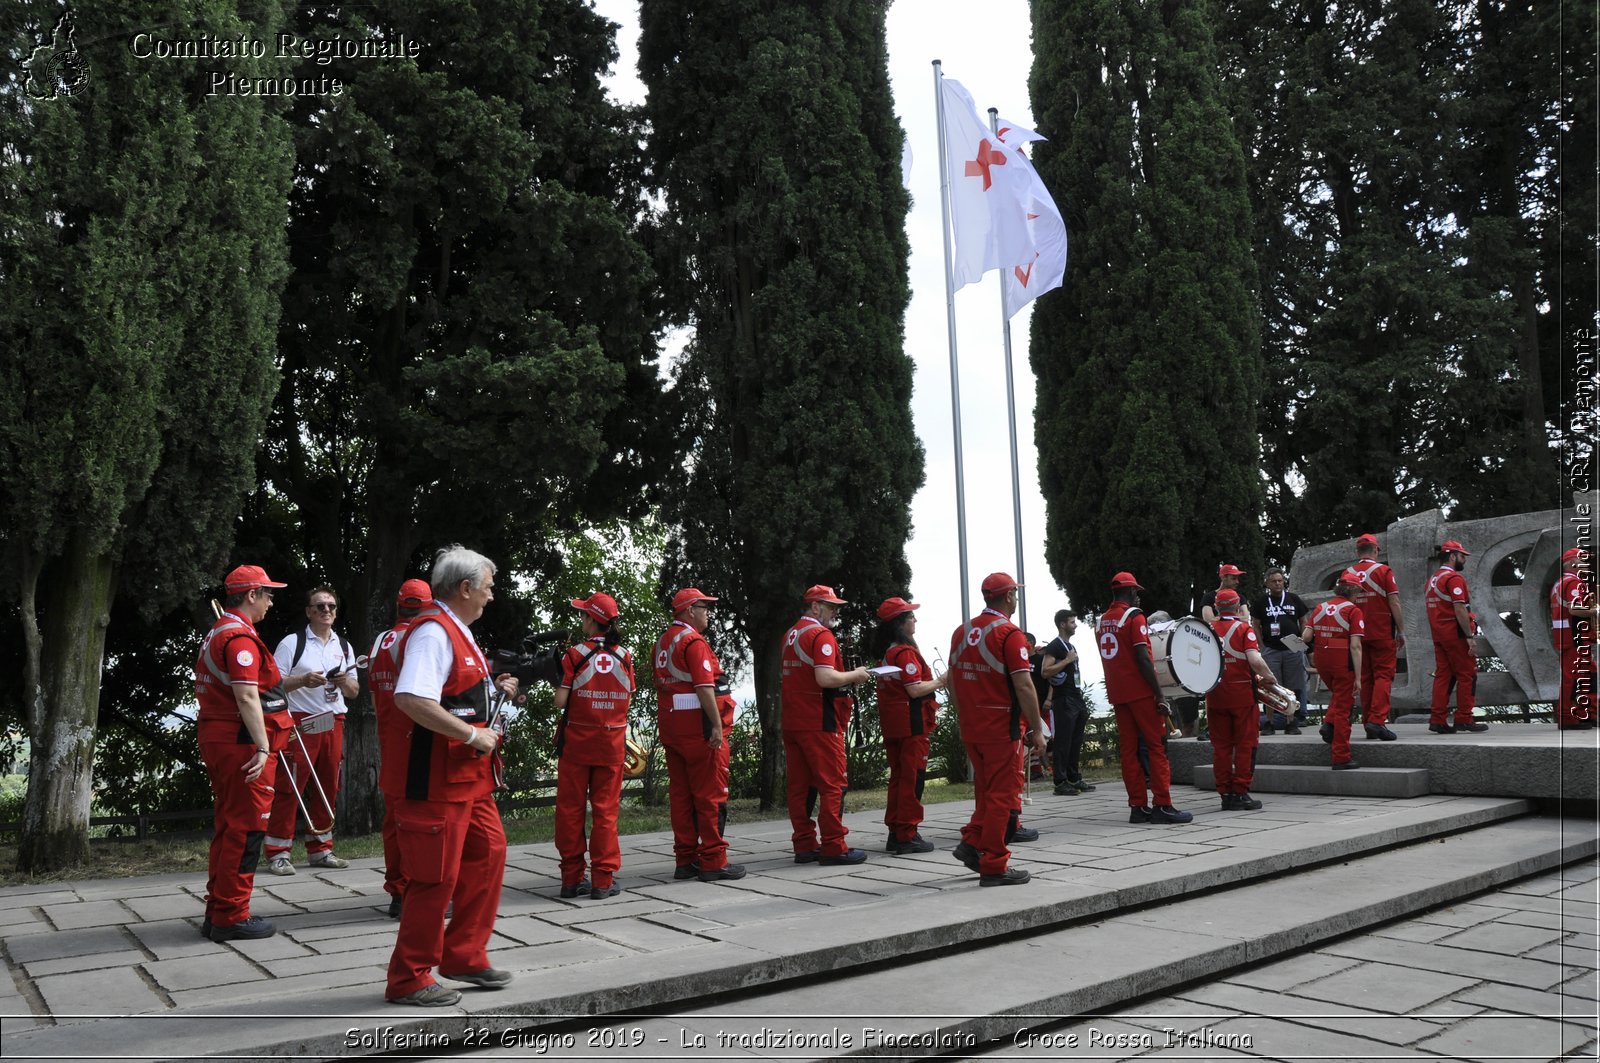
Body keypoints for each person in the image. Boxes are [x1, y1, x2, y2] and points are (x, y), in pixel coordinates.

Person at [384, 546, 517, 1007]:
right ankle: (409, 977)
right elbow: (412, 699)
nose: (492, 597)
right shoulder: (434, 633)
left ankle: (462, 954)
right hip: (436, 781)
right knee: (434, 879)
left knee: (489, 853)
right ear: (464, 588)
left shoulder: (455, 630)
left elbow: (454, 691)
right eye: (487, 587)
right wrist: (470, 736)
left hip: (466, 781)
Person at [194, 565, 298, 942]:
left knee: (229, 825)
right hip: (241, 745)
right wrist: (263, 745)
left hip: (223, 740)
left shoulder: (220, 632)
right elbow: (246, 695)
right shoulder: (238, 638)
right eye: (268, 594)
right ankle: (231, 915)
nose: (272, 601)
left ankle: (219, 908)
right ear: (251, 594)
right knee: (247, 828)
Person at [948, 573, 1049, 884]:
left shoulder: (961, 632)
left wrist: (963, 713)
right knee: (1002, 795)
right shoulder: (1010, 634)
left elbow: (951, 681)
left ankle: (971, 842)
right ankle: (994, 863)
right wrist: (1037, 729)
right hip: (1001, 727)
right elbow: (1024, 686)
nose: (1016, 599)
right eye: (1014, 595)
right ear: (1007, 597)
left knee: (987, 792)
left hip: (972, 727)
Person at [264, 586, 360, 875]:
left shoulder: (343, 646)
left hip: (334, 721)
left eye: (331, 606)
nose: (326, 611)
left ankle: (321, 849)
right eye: (319, 606)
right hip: (301, 721)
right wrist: (303, 680)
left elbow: (354, 691)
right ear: (308, 611)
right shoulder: (292, 643)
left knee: (329, 784)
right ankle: (278, 851)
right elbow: (272, 683)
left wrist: (342, 681)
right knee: (290, 785)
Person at [653, 588, 744, 882]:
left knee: (681, 797)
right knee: (710, 796)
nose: (708, 612)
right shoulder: (693, 642)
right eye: (705, 607)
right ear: (690, 610)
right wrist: (716, 726)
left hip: (673, 728)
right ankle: (714, 860)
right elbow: (704, 687)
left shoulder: (663, 641)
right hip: (698, 731)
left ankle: (685, 860)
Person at [781, 585, 872, 865]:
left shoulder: (790, 634)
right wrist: (854, 674)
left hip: (793, 720)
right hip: (819, 720)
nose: (835, 613)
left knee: (800, 787)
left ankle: (805, 844)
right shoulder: (821, 635)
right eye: (831, 607)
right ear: (815, 607)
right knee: (833, 785)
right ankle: (834, 845)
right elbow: (824, 678)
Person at [554, 593, 636, 900]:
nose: (581, 620)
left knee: (570, 811)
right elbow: (628, 696)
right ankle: (603, 880)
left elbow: (561, 701)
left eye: (584, 615)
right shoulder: (625, 656)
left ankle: (571, 879)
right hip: (611, 744)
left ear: (592, 620)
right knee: (606, 813)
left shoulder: (574, 654)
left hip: (577, 745)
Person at [1097, 572, 1192, 824]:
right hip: (1141, 693)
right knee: (1156, 747)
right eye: (1136, 592)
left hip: (1119, 694)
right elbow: (1141, 656)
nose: (1138, 597)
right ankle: (1163, 804)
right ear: (1129, 592)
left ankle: (1137, 807)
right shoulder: (1133, 617)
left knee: (1129, 751)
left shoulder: (1102, 621)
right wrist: (1159, 694)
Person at [370, 578, 434, 919]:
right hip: (417, 740)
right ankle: (413, 892)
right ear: (427, 607)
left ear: (398, 605)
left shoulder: (381, 640)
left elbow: (373, 690)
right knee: (418, 821)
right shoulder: (420, 638)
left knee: (393, 821)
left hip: (388, 738)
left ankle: (397, 891)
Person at [872, 596, 947, 855]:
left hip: (894, 724)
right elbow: (915, 689)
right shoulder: (905, 653)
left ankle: (896, 830)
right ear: (901, 623)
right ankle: (907, 833)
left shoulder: (888, 652)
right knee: (912, 778)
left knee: (899, 777)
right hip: (912, 723)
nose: (915, 620)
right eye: (911, 616)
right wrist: (941, 681)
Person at [1208, 589, 1278, 810]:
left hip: (1215, 694)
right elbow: (1254, 659)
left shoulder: (1207, 630)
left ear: (1217, 608)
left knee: (1221, 746)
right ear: (1238, 607)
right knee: (1246, 744)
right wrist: (1270, 677)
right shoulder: (1243, 629)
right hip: (1241, 695)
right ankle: (1240, 792)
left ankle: (1225, 793)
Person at [1303, 569, 1366, 770]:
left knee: (1339, 696)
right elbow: (1355, 646)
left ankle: (1328, 724)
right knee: (1344, 708)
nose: (1359, 595)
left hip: (1322, 659)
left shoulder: (1321, 607)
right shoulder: (1354, 611)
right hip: (1342, 659)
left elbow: (1305, 637)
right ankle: (1341, 756)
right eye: (1359, 591)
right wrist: (1358, 677)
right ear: (1353, 590)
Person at [1426, 540, 1487, 734]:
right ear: (1452, 556)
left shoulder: (1432, 580)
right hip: (1456, 634)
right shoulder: (1454, 579)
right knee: (1467, 675)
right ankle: (1464, 719)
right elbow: (1460, 608)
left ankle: (1437, 720)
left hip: (1439, 634)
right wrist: (1469, 636)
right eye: (1462, 556)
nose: (1464, 560)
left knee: (1443, 676)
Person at [1349, 533, 1404, 740]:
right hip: (1381, 631)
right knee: (1383, 675)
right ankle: (1377, 720)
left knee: (1365, 678)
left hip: (1357, 634)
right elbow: (1395, 602)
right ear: (1376, 550)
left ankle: (1368, 722)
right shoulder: (1383, 571)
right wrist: (1401, 630)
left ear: (1357, 552)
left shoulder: (1348, 573)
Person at [1041, 610, 1094, 796]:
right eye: (1072, 622)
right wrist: (1066, 660)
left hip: (1076, 696)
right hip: (1063, 699)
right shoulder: (1055, 647)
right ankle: (1060, 781)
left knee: (1076, 740)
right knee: (1063, 741)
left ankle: (1073, 777)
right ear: (1063, 624)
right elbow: (1045, 671)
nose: (1076, 625)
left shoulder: (1070, 646)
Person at [1253, 568, 1310, 734]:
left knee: (1294, 685)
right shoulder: (1262, 601)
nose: (1278, 584)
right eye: (1274, 581)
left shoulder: (1293, 598)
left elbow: (1303, 621)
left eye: (1280, 580)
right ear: (1267, 583)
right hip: (1271, 647)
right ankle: (1269, 723)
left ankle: (1291, 722)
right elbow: (1255, 624)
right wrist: (1262, 646)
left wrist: (1302, 640)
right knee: (1271, 685)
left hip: (1293, 646)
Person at [1551, 547, 1597, 730]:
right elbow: (1574, 609)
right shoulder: (1573, 583)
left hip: (1568, 636)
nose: (1586, 565)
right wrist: (1595, 611)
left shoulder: (1560, 583)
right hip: (1574, 637)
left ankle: (1586, 714)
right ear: (1573, 563)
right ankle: (1568, 718)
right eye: (1583, 561)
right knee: (1574, 678)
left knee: (1587, 674)